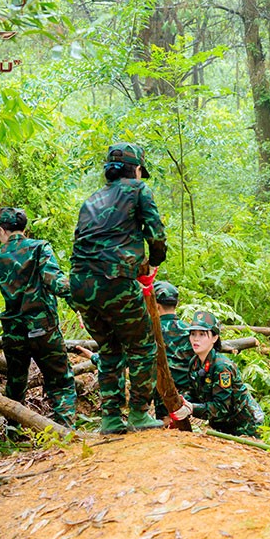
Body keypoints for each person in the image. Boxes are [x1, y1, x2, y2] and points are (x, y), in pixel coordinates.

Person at [70, 143, 167, 434]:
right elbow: (156, 233)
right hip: (114, 281)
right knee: (141, 345)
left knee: (110, 348)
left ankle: (110, 418)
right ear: (136, 169)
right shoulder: (138, 190)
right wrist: (154, 262)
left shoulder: (91, 199)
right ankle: (138, 413)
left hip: (80, 284)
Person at [0, 208, 76, 425]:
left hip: (14, 332)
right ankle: (66, 430)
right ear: (25, 229)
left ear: (0, 230)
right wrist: (79, 305)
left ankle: (14, 431)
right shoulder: (40, 248)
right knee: (60, 380)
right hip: (44, 328)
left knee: (15, 383)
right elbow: (55, 281)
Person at [180, 311, 263, 436]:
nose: (196, 339)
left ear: (214, 337)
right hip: (222, 426)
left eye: (202, 334)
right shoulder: (195, 363)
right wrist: (182, 402)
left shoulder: (222, 367)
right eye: (193, 334)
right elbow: (193, 393)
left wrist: (191, 409)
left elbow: (222, 407)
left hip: (245, 427)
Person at [151, 281, 195, 430]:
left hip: (161, 398)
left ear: (155, 306)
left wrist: (94, 357)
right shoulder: (190, 332)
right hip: (186, 399)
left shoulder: (150, 332)